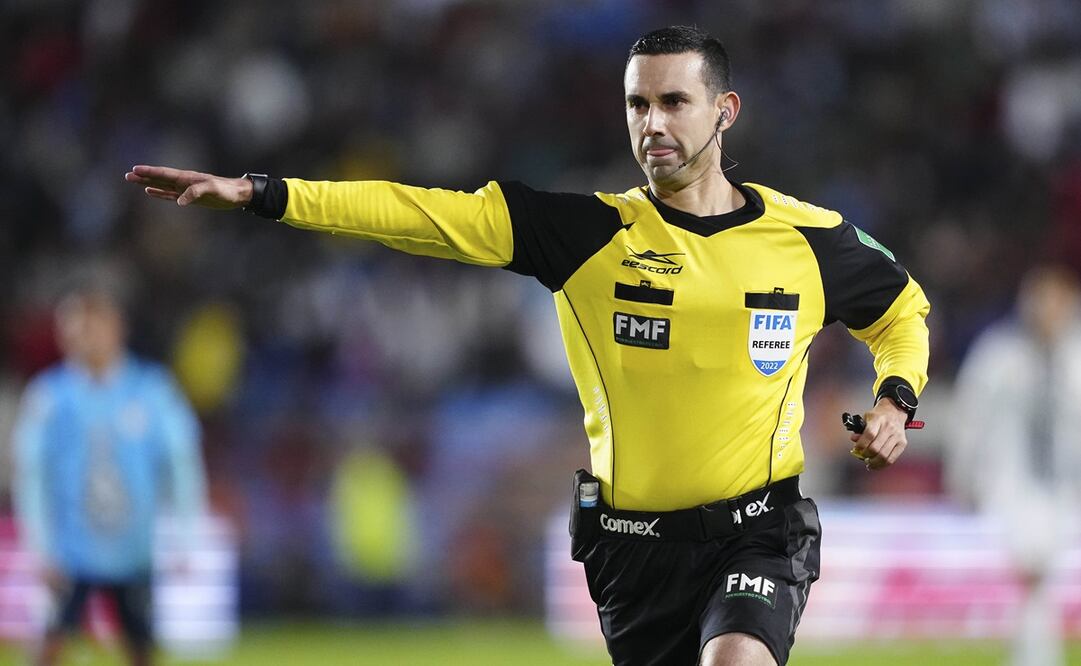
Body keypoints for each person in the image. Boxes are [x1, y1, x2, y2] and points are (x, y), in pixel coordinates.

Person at [124, 25, 929, 666]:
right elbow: (415, 213)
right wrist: (264, 194)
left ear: (725, 111)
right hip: (632, 550)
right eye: (636, 105)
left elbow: (901, 311)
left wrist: (896, 398)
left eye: (674, 102)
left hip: (760, 527)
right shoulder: (584, 233)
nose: (651, 125)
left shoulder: (807, 239)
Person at [12, 284, 208, 666]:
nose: (80, 337)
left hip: (132, 551)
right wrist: (39, 545)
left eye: (90, 326)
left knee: (141, 648)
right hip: (69, 552)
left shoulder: (153, 390)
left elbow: (182, 463)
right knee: (48, 647)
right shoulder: (49, 396)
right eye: (70, 328)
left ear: (117, 328)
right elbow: (31, 475)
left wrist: (186, 535)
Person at [949, 265, 1081, 666]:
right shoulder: (999, 355)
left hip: (1066, 485)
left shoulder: (1075, 359)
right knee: (1032, 570)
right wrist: (963, 476)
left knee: (1041, 579)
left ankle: (1035, 652)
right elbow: (968, 419)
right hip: (1013, 484)